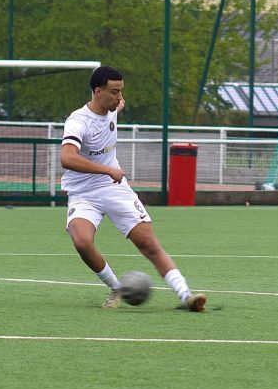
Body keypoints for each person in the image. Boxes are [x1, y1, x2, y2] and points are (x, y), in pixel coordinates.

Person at [60, 66, 206, 312]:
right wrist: (107, 169)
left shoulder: (113, 106)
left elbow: (119, 107)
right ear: (97, 92)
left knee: (148, 242)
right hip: (84, 192)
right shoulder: (78, 122)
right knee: (82, 241)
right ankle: (117, 287)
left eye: (121, 92)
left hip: (114, 188)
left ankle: (186, 296)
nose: (119, 98)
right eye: (114, 92)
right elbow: (67, 158)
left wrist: (117, 105)